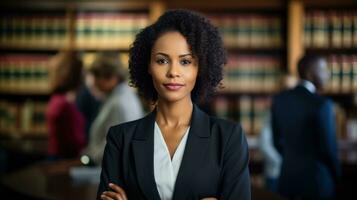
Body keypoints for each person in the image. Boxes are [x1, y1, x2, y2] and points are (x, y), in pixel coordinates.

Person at [98, 10, 251, 200]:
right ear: (148, 66)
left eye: (185, 61)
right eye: (162, 60)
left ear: (200, 67)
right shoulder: (121, 138)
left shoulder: (228, 138)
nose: (173, 72)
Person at [271, 55, 341, 200]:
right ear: (310, 73)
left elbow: (276, 142)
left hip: (288, 180)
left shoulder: (279, 100)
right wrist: (338, 177)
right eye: (323, 69)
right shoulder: (322, 104)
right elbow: (328, 149)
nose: (327, 74)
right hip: (317, 183)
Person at [82, 52, 144, 165]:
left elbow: (115, 144)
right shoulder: (118, 96)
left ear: (112, 77)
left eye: (97, 76)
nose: (94, 82)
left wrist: (90, 159)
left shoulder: (120, 102)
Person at [258, 75, 297, 192]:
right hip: (276, 173)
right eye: (286, 88)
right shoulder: (272, 111)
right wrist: (282, 163)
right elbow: (264, 144)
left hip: (295, 175)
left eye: (293, 89)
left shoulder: (297, 111)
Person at [46, 51, 85, 159]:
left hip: (57, 156)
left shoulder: (56, 99)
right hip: (63, 160)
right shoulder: (64, 105)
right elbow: (74, 141)